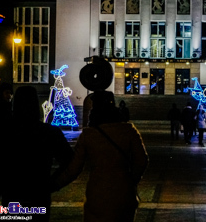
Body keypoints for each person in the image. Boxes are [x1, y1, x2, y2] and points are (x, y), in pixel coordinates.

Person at [53, 91, 149, 222]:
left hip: (98, 193)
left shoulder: (89, 135)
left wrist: (55, 184)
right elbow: (142, 160)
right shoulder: (129, 131)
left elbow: (74, 168)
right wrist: (131, 180)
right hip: (124, 193)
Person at [0, 86, 73, 221]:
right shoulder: (49, 132)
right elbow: (69, 159)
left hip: (12, 192)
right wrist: (54, 183)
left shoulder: (4, 132)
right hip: (39, 192)